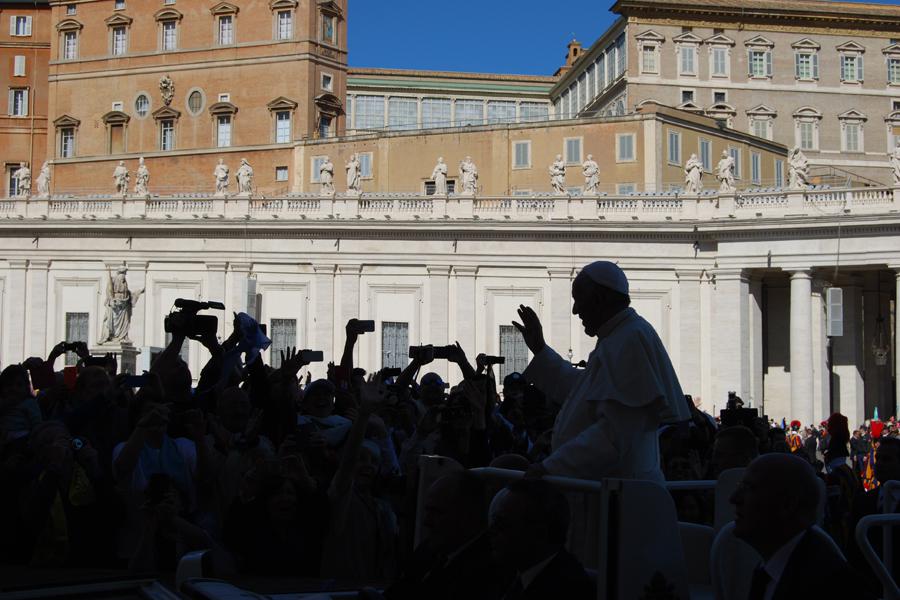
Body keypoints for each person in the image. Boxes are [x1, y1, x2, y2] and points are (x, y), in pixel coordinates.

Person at [512, 260, 689, 481]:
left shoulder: (629, 339)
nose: (575, 310)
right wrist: (540, 349)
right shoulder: (617, 338)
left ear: (601, 299)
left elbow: (615, 434)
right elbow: (582, 392)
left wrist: (550, 468)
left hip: (620, 500)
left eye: (579, 300)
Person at [729, 453, 876, 600]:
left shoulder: (828, 585)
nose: (734, 498)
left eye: (749, 488)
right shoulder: (773, 568)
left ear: (787, 505)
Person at [386, 472, 504, 600]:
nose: (426, 520)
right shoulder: (429, 550)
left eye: (437, 512)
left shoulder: (487, 571)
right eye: (427, 511)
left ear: (469, 515)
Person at [489, 479, 594, 600]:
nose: (492, 530)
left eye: (501, 523)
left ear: (538, 532)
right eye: (495, 520)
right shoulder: (519, 573)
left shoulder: (566, 590)